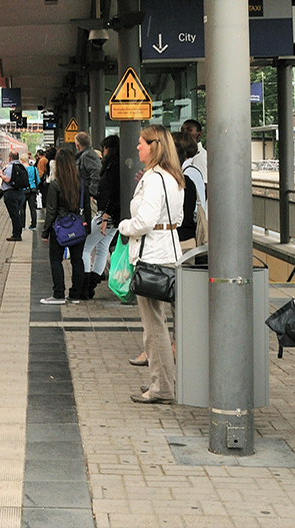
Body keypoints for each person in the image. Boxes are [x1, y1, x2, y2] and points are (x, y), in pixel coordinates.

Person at [119, 124, 184, 404]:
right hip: (170, 253)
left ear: (154, 146)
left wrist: (124, 226)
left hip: (151, 260)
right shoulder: (173, 177)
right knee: (168, 322)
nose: (137, 147)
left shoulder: (154, 178)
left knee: (154, 326)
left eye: (141, 143)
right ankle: (170, 383)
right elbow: (177, 219)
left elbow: (144, 222)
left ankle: (162, 387)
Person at [39, 144, 91, 304]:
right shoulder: (82, 183)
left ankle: (58, 295)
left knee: (56, 260)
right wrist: (86, 228)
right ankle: (75, 296)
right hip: (78, 227)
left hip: (60, 229)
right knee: (78, 260)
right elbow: (87, 208)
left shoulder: (55, 185)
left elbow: (51, 211)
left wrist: (45, 232)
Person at [81, 134, 121, 298]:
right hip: (114, 217)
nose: (103, 152)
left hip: (106, 215)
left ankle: (85, 284)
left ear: (108, 149)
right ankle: (92, 283)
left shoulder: (112, 168)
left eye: (104, 148)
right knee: (102, 247)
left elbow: (112, 193)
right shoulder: (117, 165)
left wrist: (104, 216)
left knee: (85, 247)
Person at [0, 150, 27, 241]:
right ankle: (17, 232)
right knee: (16, 214)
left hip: (11, 194)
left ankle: (16, 235)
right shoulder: (22, 166)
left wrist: (1, 175)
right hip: (20, 193)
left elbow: (7, 179)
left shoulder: (10, 167)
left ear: (10, 158)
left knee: (14, 215)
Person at [74, 131, 101, 202]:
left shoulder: (87, 155)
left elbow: (96, 173)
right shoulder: (88, 154)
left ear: (77, 145)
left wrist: (91, 193)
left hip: (89, 196)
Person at [22, 153, 41, 230]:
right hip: (32, 190)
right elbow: (38, 180)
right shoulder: (33, 169)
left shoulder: (21, 169)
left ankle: (22, 225)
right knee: (32, 208)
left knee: (22, 208)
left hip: (23, 190)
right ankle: (33, 225)